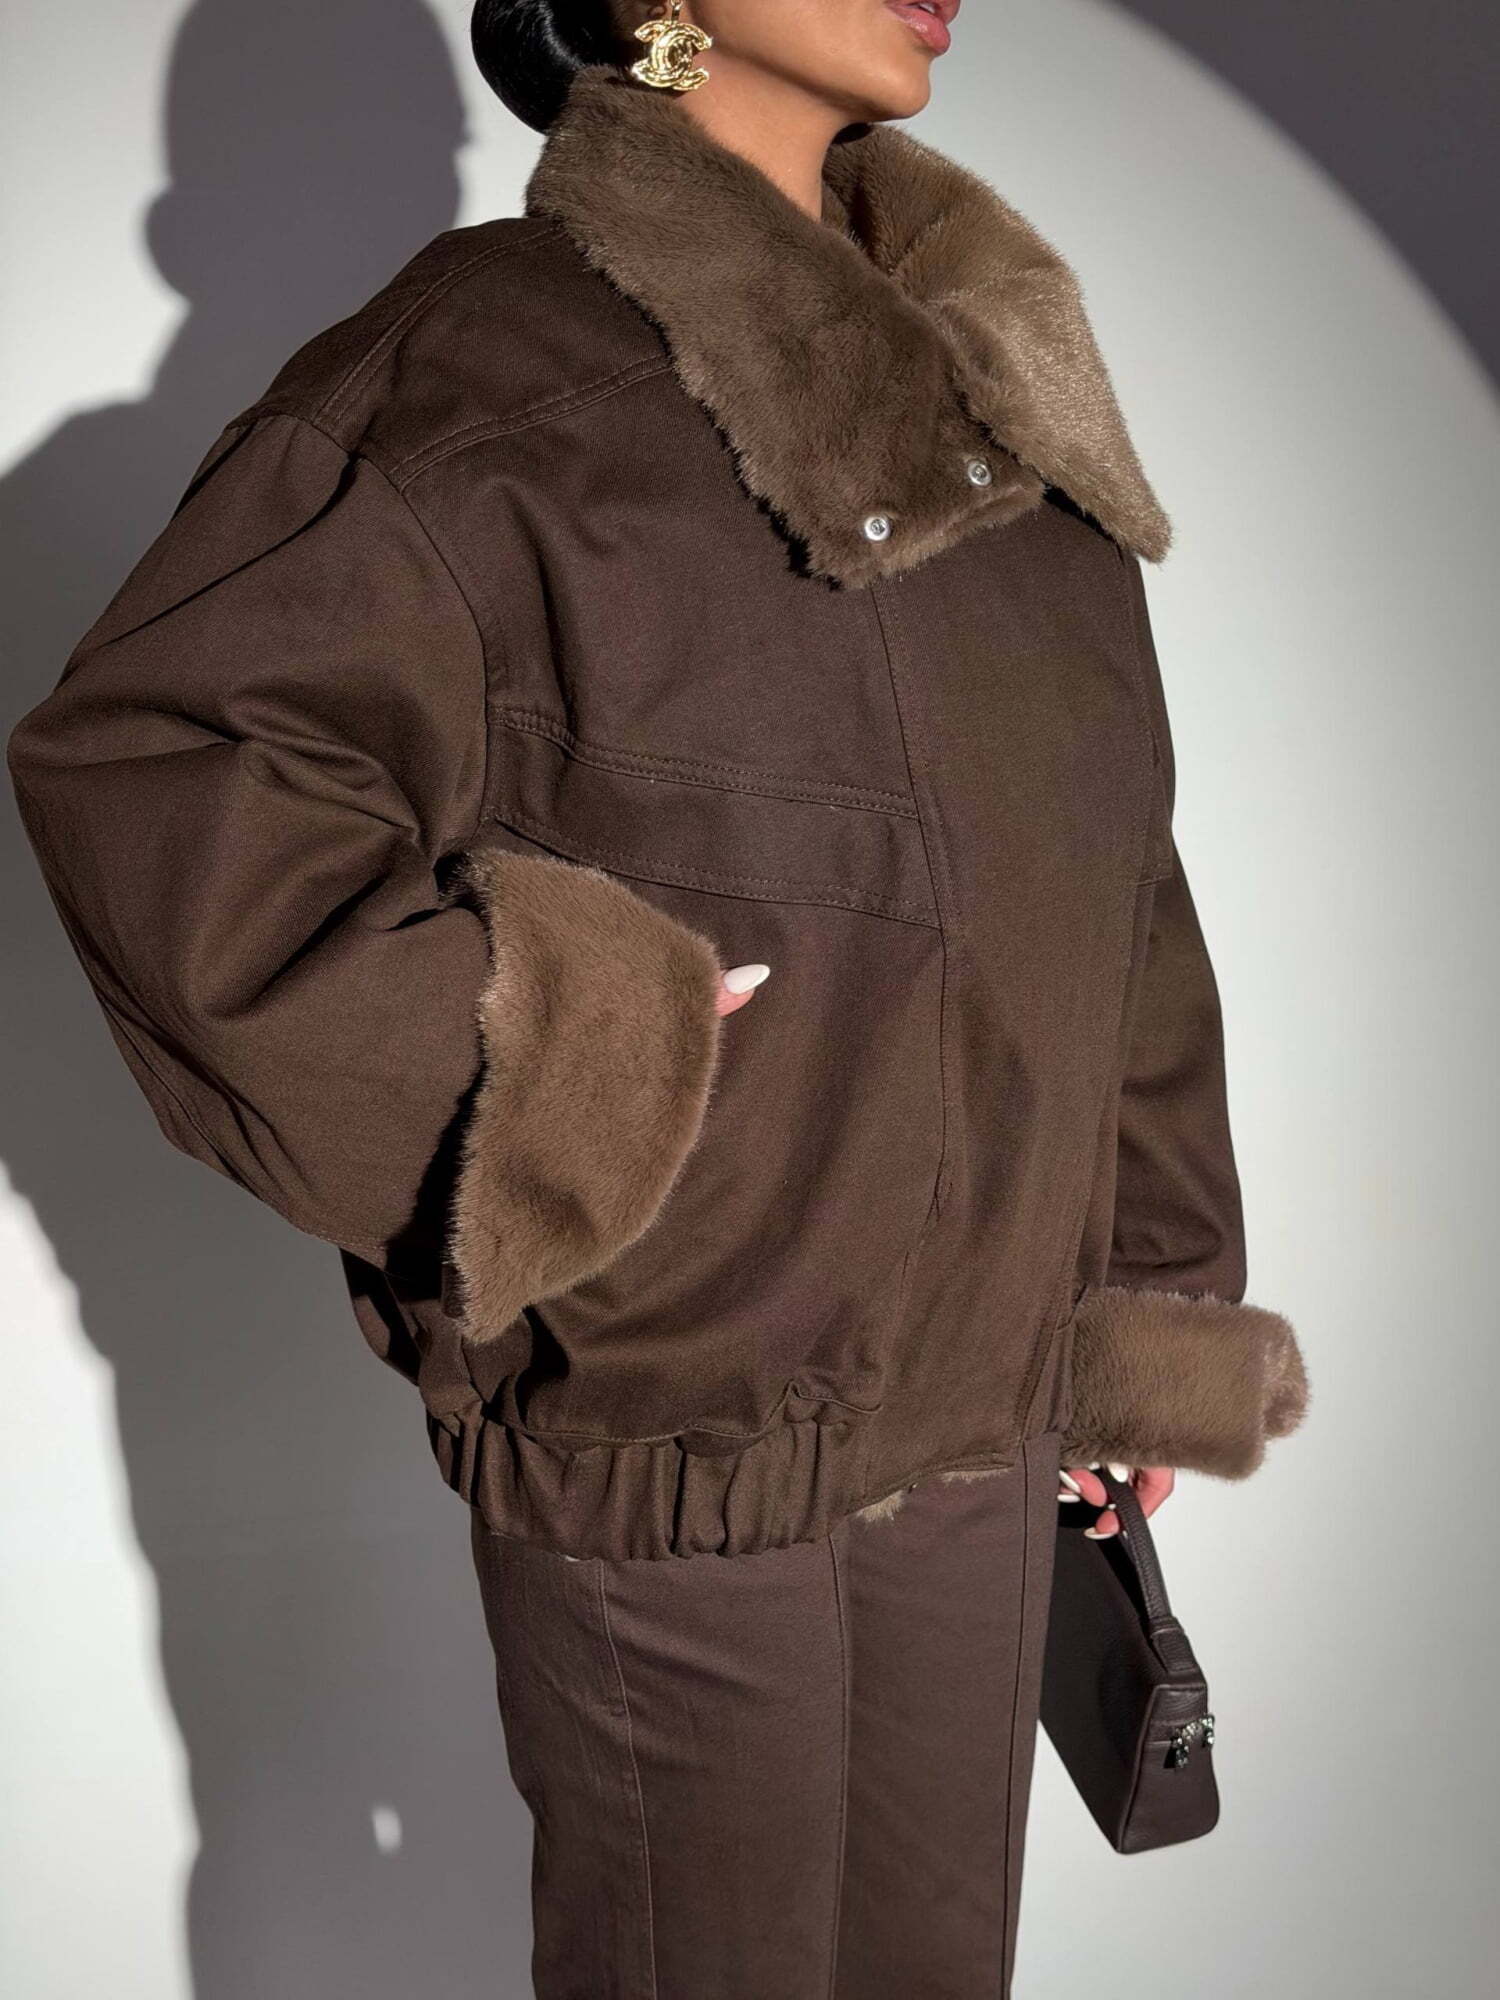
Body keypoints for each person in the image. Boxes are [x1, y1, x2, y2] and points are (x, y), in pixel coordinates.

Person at [7, 1, 1308, 1992]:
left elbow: (1113, 878)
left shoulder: (994, 395)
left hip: (986, 1420)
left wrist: (1143, 1291)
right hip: (681, 1413)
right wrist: (562, 1063)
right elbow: (162, 773)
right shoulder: (486, 366)